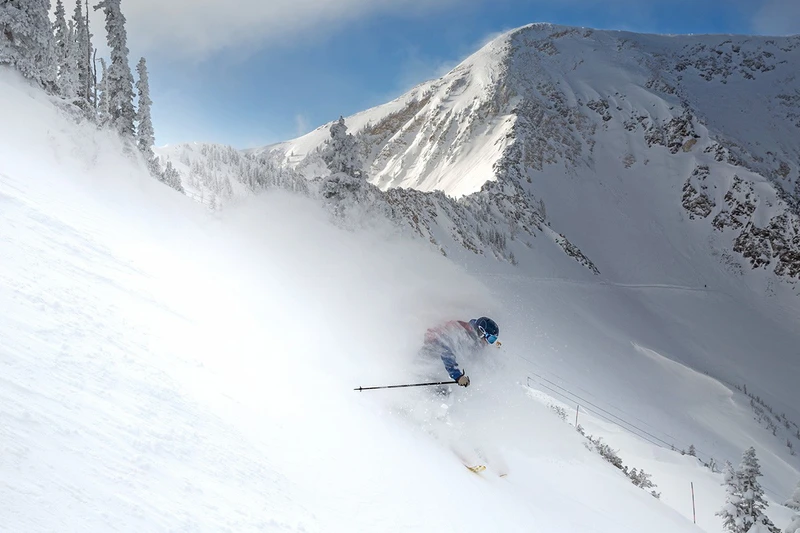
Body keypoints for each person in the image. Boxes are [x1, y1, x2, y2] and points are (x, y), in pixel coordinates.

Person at [421, 317, 500, 388]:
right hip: (428, 358)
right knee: (441, 393)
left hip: (439, 365)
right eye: (490, 339)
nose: (488, 343)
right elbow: (446, 352)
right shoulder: (461, 334)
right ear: (481, 332)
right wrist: (457, 376)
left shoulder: (474, 338)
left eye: (492, 340)